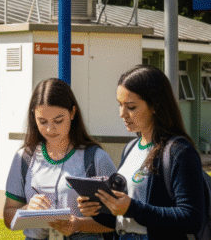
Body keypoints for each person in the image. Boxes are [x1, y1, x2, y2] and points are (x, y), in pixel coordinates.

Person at [77, 65, 207, 240]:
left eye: (131, 107)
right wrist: (97, 211)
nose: (122, 114)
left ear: (154, 105)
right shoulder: (131, 147)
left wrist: (132, 207)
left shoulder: (179, 151)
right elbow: (124, 221)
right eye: (120, 105)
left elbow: (191, 218)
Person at [3, 78, 117, 240]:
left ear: (72, 112)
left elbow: (117, 220)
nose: (50, 129)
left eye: (58, 120)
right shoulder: (24, 157)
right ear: (33, 117)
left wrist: (78, 224)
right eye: (42, 121)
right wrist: (27, 210)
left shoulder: (96, 158)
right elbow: (8, 218)